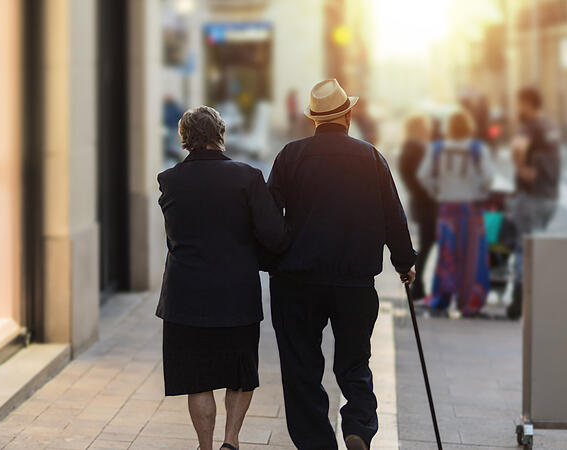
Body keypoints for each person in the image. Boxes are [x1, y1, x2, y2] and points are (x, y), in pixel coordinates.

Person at [267, 79, 416, 450]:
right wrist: (404, 262)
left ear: (313, 120)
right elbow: (392, 216)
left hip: (297, 280)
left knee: (301, 367)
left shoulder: (290, 155)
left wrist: (276, 256)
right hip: (354, 280)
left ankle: (317, 443)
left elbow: (269, 217)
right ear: (348, 115)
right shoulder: (370, 157)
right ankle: (358, 426)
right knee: (355, 361)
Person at [155, 106, 289, 450]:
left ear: (184, 139)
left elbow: (175, 236)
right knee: (240, 373)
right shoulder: (247, 177)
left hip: (185, 295)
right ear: (221, 136)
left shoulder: (169, 181)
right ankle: (232, 440)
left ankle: (205, 447)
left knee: (197, 379)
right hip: (236, 292)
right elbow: (274, 236)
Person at [418, 108, 494, 316]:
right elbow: (488, 176)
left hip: (447, 207)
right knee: (472, 256)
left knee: (447, 253)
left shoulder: (438, 148)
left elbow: (424, 175)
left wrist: (437, 189)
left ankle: (442, 295)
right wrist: (480, 191)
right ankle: (469, 299)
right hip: (469, 207)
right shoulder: (478, 148)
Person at [507, 87, 560, 320]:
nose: (517, 109)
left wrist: (520, 168)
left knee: (522, 247)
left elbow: (518, 149)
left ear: (528, 103)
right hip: (550, 195)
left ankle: (518, 301)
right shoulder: (550, 126)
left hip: (530, 194)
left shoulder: (529, 127)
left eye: (519, 104)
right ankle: (538, 298)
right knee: (537, 246)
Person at [398, 115, 437, 300]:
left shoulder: (409, 148)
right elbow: (424, 176)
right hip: (427, 203)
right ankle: (419, 286)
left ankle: (420, 286)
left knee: (427, 243)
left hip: (421, 201)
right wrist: (430, 193)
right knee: (428, 243)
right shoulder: (418, 148)